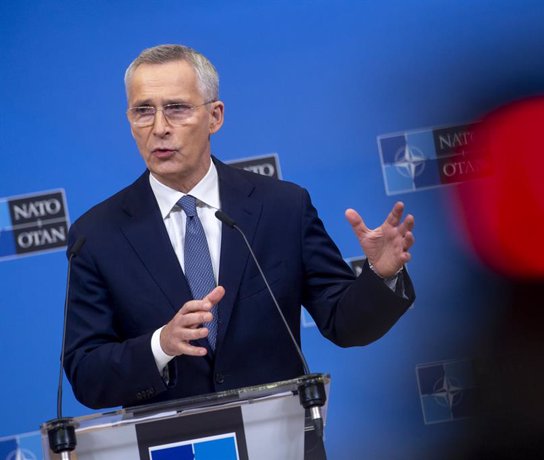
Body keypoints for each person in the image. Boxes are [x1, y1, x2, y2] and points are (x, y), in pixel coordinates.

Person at [63, 44, 416, 409]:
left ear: (215, 116)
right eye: (143, 111)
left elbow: (346, 324)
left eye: (177, 108)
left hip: (280, 440)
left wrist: (381, 274)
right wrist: (161, 345)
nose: (159, 128)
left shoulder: (282, 207)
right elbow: (87, 375)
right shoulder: (96, 236)